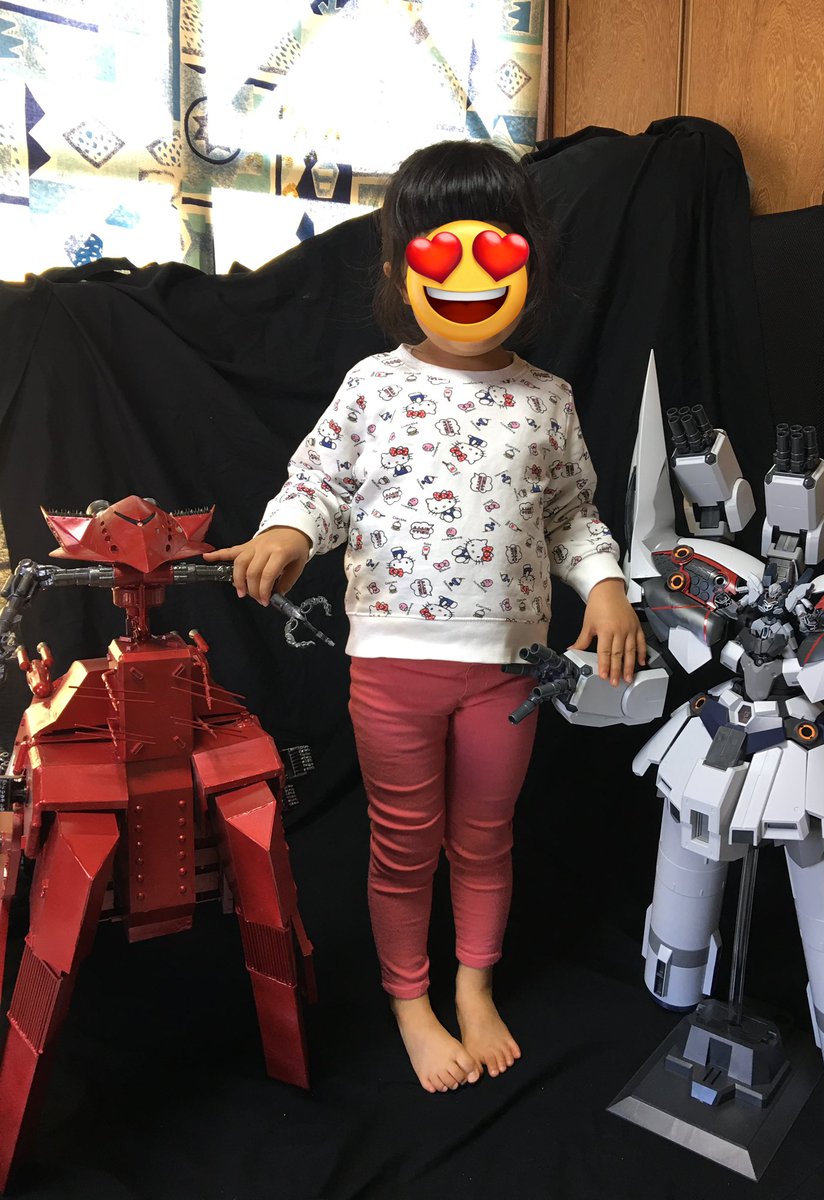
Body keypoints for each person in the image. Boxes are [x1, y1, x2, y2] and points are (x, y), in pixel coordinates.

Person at [205, 139, 646, 1094]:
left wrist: (607, 585)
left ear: (531, 262)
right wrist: (287, 530)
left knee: (485, 838)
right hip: (393, 668)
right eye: (441, 249)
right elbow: (319, 484)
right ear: (401, 267)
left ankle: (473, 986)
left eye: (498, 249)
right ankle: (410, 1000)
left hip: (508, 671)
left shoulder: (548, 400)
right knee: (403, 845)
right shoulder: (373, 386)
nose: (470, 275)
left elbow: (572, 515)